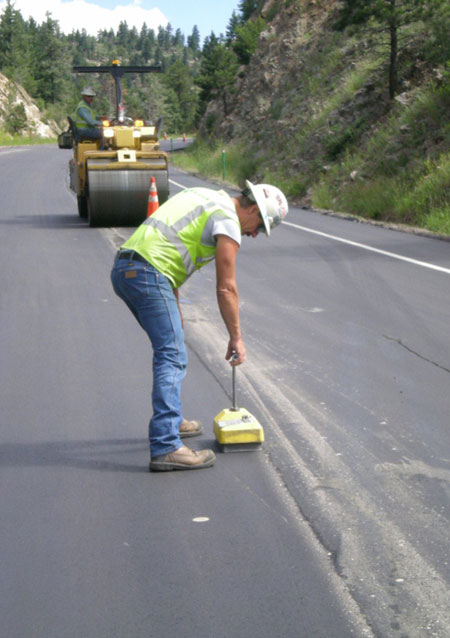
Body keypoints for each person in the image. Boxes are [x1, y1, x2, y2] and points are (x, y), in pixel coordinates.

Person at [110, 181, 288, 472]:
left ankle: (172, 421)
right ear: (253, 209)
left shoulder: (203, 195)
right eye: (260, 225)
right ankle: (167, 446)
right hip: (148, 274)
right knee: (172, 355)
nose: (254, 233)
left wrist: (175, 307)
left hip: (126, 270)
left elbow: (168, 247)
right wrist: (236, 338)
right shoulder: (228, 220)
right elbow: (226, 288)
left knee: (171, 347)